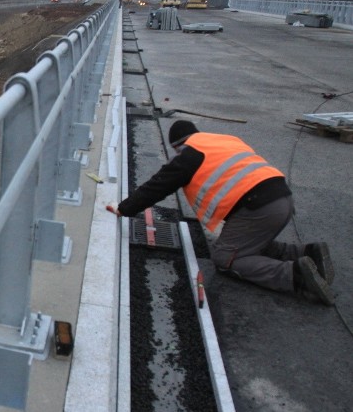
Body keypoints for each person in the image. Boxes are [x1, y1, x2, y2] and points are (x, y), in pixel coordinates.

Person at [109, 120, 335, 305]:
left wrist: (123, 209)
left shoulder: (189, 155)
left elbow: (157, 186)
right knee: (246, 242)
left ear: (177, 146)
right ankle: (306, 253)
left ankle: (296, 275)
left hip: (257, 207)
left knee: (225, 258)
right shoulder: (223, 141)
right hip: (282, 198)